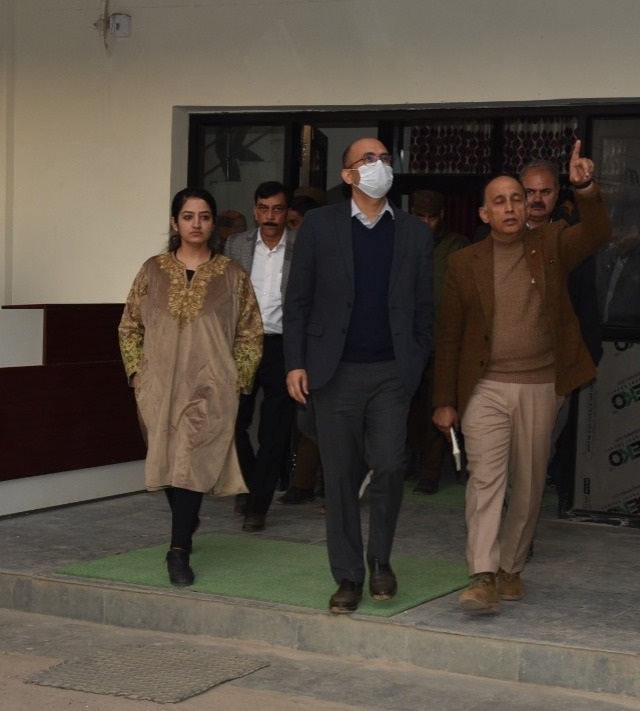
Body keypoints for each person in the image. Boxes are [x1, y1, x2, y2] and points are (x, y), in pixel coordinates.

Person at [433, 141, 612, 615]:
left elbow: (597, 232)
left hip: (541, 385)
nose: (512, 207)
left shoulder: (552, 243)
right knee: (485, 479)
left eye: (517, 198)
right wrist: (444, 400)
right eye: (500, 201)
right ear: (484, 213)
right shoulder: (464, 263)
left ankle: (511, 568)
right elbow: (449, 336)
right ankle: (482, 574)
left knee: (529, 486)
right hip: (485, 387)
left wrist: (585, 188)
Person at [284, 137, 433, 614]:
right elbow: (298, 300)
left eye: (385, 158)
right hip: (334, 374)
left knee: (389, 465)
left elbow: (425, 309)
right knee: (341, 476)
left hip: (392, 373)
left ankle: (380, 559)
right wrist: (295, 362)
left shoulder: (413, 233)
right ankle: (348, 576)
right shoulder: (319, 226)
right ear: (348, 174)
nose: (379, 165)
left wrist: (414, 363)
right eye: (368, 159)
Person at [118, 188, 263, 587]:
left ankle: (178, 549)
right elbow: (129, 325)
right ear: (174, 222)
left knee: (190, 459)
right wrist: (138, 374)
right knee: (168, 461)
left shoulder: (232, 275)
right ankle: (187, 518)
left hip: (211, 386)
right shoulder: (152, 271)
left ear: (213, 224)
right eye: (187, 216)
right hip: (158, 387)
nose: (196, 224)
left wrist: (238, 379)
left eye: (204, 216)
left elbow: (251, 332)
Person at [520, 159, 603, 513]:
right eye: (529, 192)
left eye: (545, 191)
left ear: (557, 194)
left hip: (554, 369)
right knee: (500, 452)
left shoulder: (571, 239)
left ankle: (521, 523)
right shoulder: (492, 236)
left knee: (538, 450)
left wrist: (584, 356)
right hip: (501, 368)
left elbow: (586, 301)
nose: (537, 199)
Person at [224, 181, 297, 533]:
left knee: (274, 430)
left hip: (284, 346)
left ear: (286, 212)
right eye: (264, 209)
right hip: (243, 344)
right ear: (255, 211)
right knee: (232, 423)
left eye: (277, 209)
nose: (270, 216)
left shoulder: (302, 246)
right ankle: (251, 482)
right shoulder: (236, 245)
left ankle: (258, 506)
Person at [406, 190, 469, 494]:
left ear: (442, 216)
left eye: (431, 217)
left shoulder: (457, 247)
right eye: (420, 216)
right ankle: (408, 463)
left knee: (439, 405)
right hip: (407, 342)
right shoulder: (400, 243)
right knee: (408, 408)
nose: (426, 223)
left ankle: (429, 474)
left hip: (443, 341)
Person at [598, 206, 640, 325]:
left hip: (629, 330)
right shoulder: (606, 256)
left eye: (626, 230)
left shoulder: (636, 262)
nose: (619, 237)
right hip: (602, 328)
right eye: (618, 229)